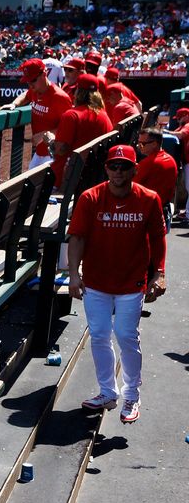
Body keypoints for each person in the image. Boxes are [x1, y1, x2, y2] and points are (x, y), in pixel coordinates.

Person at [67, 145, 167, 424]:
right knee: (99, 335)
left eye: (125, 166)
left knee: (125, 336)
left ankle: (132, 394)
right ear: (106, 168)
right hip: (96, 281)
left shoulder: (149, 199)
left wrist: (159, 273)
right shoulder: (90, 197)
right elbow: (76, 237)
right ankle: (107, 392)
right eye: (114, 166)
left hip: (131, 282)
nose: (119, 171)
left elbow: (158, 239)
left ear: (135, 169)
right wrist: (74, 275)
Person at [1, 58, 71, 170]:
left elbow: (69, 127)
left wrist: (44, 134)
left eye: (33, 80)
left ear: (44, 74)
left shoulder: (60, 98)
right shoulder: (34, 90)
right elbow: (26, 95)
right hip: (39, 153)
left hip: (54, 153)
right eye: (27, 81)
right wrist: (14, 104)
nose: (30, 85)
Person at [52, 74, 112, 185]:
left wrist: (50, 141)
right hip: (94, 177)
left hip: (66, 182)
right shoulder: (104, 116)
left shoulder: (71, 115)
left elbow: (60, 150)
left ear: (78, 92)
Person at [135, 126, 178, 229]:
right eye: (138, 142)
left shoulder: (148, 163)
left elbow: (129, 186)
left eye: (143, 144)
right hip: (161, 211)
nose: (139, 146)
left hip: (147, 215)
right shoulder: (170, 159)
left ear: (154, 144)